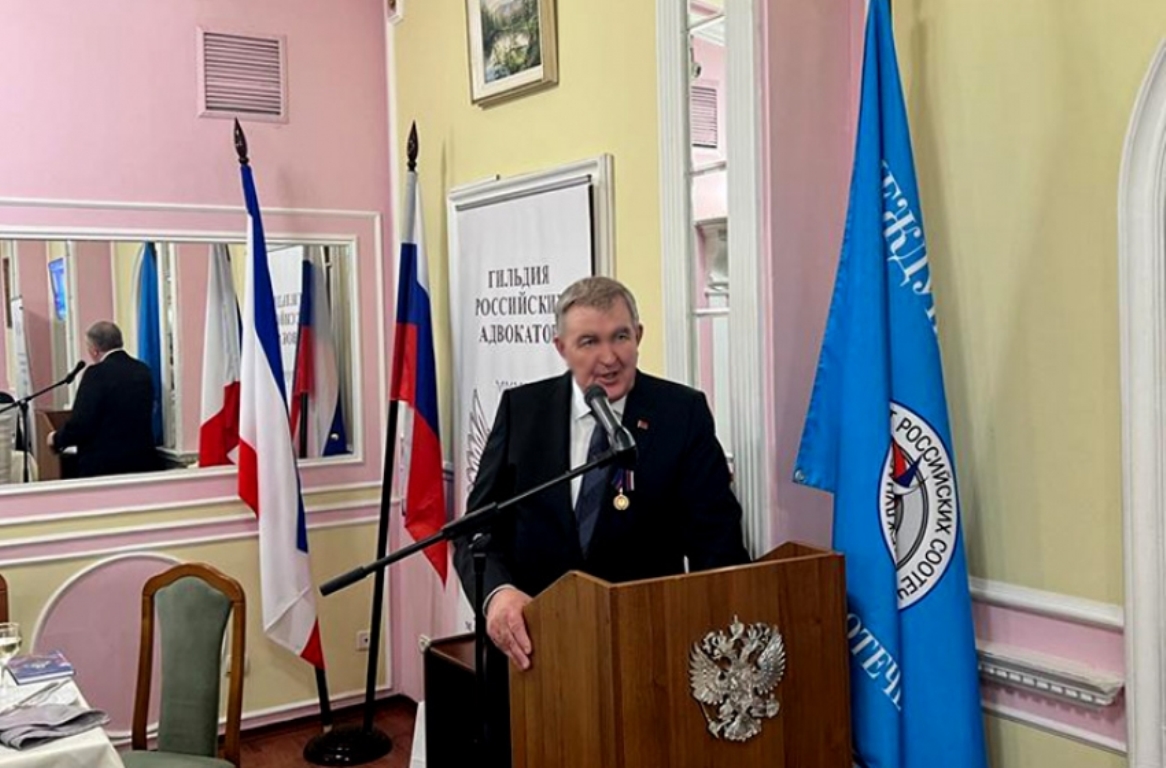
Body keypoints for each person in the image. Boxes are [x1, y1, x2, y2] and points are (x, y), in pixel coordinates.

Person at [454, 276, 749, 763]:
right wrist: (497, 595)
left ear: (639, 335)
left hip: (643, 657)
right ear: (561, 348)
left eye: (621, 336)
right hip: (536, 654)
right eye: (589, 341)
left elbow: (716, 541)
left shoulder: (681, 413)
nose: (609, 357)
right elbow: (475, 530)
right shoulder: (523, 410)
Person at [48, 321, 160, 478]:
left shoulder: (96, 374)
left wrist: (56, 439)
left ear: (94, 350)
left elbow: (82, 423)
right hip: (143, 463)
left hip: (104, 467)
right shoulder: (143, 371)